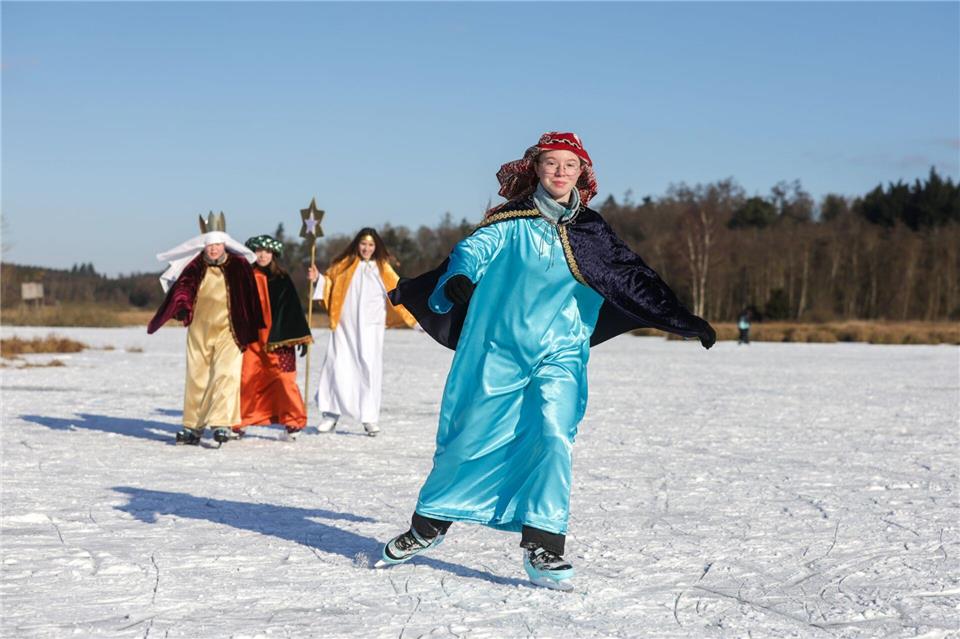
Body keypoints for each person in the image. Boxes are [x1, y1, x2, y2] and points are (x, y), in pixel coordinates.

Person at [380, 132, 716, 590]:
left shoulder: (592, 234)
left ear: (583, 173)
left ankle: (544, 543)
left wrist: (682, 318)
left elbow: (635, 280)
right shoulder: (509, 222)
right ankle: (429, 525)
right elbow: (470, 251)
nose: (560, 172)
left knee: (555, 434)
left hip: (561, 354)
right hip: (497, 352)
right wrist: (459, 277)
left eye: (569, 165)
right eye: (551, 163)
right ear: (536, 169)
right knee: (469, 438)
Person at [148, 212, 264, 446]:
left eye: (217, 245)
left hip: (230, 330)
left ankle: (221, 423)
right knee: (197, 376)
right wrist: (181, 307)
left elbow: (251, 296)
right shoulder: (195, 266)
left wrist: (251, 325)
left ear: (225, 245)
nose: (213, 249)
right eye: (210, 245)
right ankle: (192, 425)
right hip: (200, 330)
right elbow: (182, 289)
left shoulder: (239, 265)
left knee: (225, 374)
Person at [307, 228, 416, 437]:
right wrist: (317, 279)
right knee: (337, 365)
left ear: (376, 247)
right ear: (357, 244)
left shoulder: (383, 269)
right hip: (344, 328)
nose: (366, 248)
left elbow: (400, 293)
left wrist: (415, 319)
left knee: (368, 368)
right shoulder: (345, 265)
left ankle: (369, 417)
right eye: (364, 244)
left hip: (370, 329)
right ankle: (331, 414)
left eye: (371, 245)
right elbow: (329, 284)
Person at [233, 234, 313, 441]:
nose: (262, 255)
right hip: (251, 340)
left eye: (267, 251)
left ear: (273, 254)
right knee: (247, 378)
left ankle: (292, 421)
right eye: (258, 251)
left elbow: (293, 310)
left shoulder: (282, 279)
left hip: (278, 340)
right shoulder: (244, 277)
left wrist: (300, 336)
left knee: (284, 379)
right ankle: (239, 421)